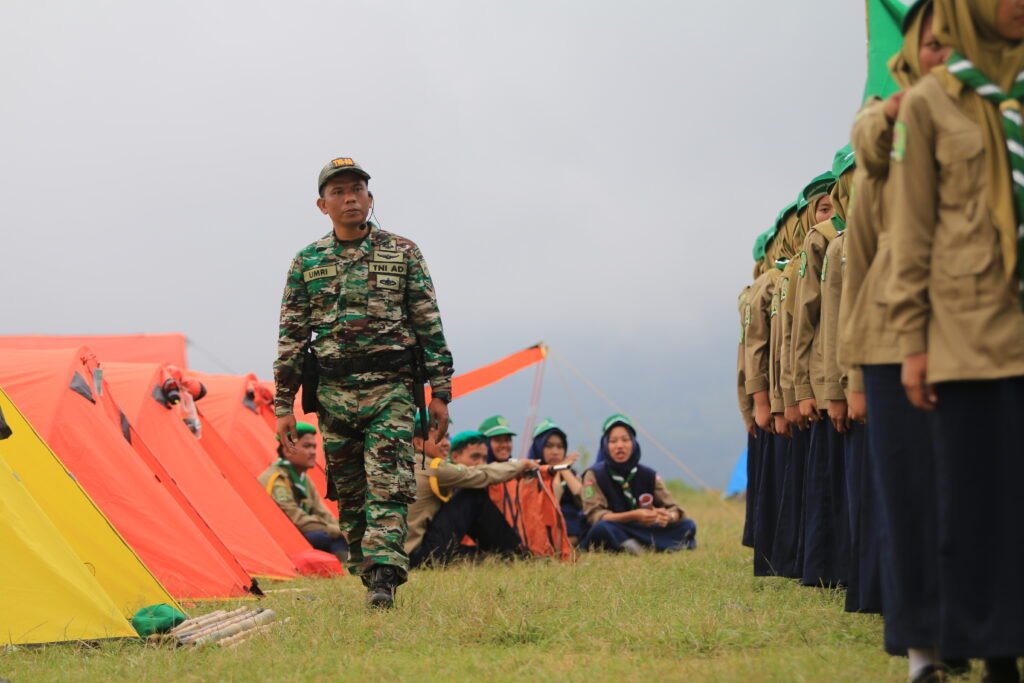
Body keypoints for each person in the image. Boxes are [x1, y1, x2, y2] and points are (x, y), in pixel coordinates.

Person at [889, 0, 1024, 678]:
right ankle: (995, 652)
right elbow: (911, 233)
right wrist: (913, 341)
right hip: (967, 335)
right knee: (974, 503)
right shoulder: (926, 107)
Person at [273, 157, 454, 609]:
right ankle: (369, 568)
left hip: (391, 390)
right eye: (339, 192)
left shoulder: (404, 253)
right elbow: (291, 338)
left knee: (389, 484)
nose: (350, 197)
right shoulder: (306, 262)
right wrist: (282, 405)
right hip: (334, 396)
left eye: (358, 189)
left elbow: (428, 324)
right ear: (323, 205)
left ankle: (384, 578)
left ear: (370, 199)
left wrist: (441, 391)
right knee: (350, 495)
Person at [406, 429, 537, 568]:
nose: (446, 443)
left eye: (447, 437)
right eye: (439, 438)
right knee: (473, 495)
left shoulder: (400, 464)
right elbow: (479, 474)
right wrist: (521, 465)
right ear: (419, 443)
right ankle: (517, 555)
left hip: (398, 556)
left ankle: (506, 556)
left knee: (475, 555)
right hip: (417, 557)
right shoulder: (431, 467)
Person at [580, 414, 696, 554]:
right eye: (613, 441)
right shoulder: (594, 474)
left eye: (625, 440)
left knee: (688, 525)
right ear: (605, 445)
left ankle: (632, 545)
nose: (620, 446)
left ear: (633, 443)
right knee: (601, 529)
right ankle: (648, 545)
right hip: (615, 527)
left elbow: (674, 508)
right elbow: (595, 516)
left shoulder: (648, 475)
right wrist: (634, 515)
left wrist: (668, 516)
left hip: (644, 528)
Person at [258, 422, 348, 560]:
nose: (313, 452)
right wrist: (334, 530)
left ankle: (345, 558)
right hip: (279, 539)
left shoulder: (302, 478)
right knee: (321, 537)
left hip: (301, 533)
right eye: (307, 446)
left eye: (314, 447)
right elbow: (295, 518)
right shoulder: (276, 478)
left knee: (337, 537)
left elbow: (321, 511)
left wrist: (343, 530)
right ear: (288, 450)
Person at [528, 419, 587, 543]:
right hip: (544, 523)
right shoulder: (531, 474)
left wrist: (563, 469)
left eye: (560, 447)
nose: (555, 452)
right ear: (539, 447)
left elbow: (583, 497)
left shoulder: (569, 471)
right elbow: (553, 499)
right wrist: (559, 469)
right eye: (549, 446)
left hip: (572, 523)